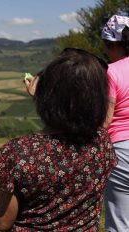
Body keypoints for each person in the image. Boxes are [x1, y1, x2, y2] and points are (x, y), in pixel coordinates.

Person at [0, 48, 117, 231]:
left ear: (48, 96)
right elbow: (82, 115)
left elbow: (1, 220)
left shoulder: (21, 153)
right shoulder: (101, 143)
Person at [101, 14, 129, 232]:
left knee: (120, 222)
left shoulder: (111, 72)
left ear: (114, 45)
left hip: (121, 152)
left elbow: (106, 120)